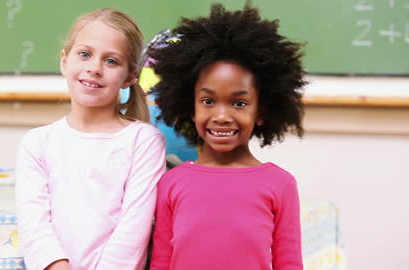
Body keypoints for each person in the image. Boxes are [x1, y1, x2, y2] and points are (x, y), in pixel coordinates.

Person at [148, 3, 306, 270]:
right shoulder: (170, 184)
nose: (222, 115)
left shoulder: (281, 185)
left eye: (239, 103)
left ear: (262, 111)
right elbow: (160, 263)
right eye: (208, 101)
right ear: (190, 107)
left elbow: (289, 264)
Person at [15, 8, 166, 270]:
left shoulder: (144, 141)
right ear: (64, 61)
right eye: (84, 54)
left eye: (111, 61)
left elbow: (134, 229)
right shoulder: (37, 143)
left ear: (130, 76)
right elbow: (34, 226)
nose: (94, 68)